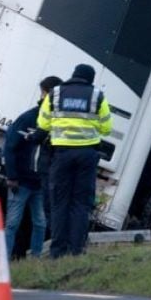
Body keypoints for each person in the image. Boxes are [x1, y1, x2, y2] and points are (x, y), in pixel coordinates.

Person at [38, 64, 111, 258]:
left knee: (59, 203)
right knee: (80, 203)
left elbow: (43, 123)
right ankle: (76, 250)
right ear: (91, 79)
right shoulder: (97, 96)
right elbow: (106, 128)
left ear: (73, 75)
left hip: (61, 154)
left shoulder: (55, 93)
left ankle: (57, 251)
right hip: (87, 155)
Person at [3, 76, 62, 259]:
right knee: (12, 223)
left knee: (40, 223)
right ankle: (3, 259)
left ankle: (35, 259)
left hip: (39, 184)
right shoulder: (28, 118)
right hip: (21, 182)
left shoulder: (56, 122)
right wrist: (12, 176)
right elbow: (10, 147)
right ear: (44, 93)